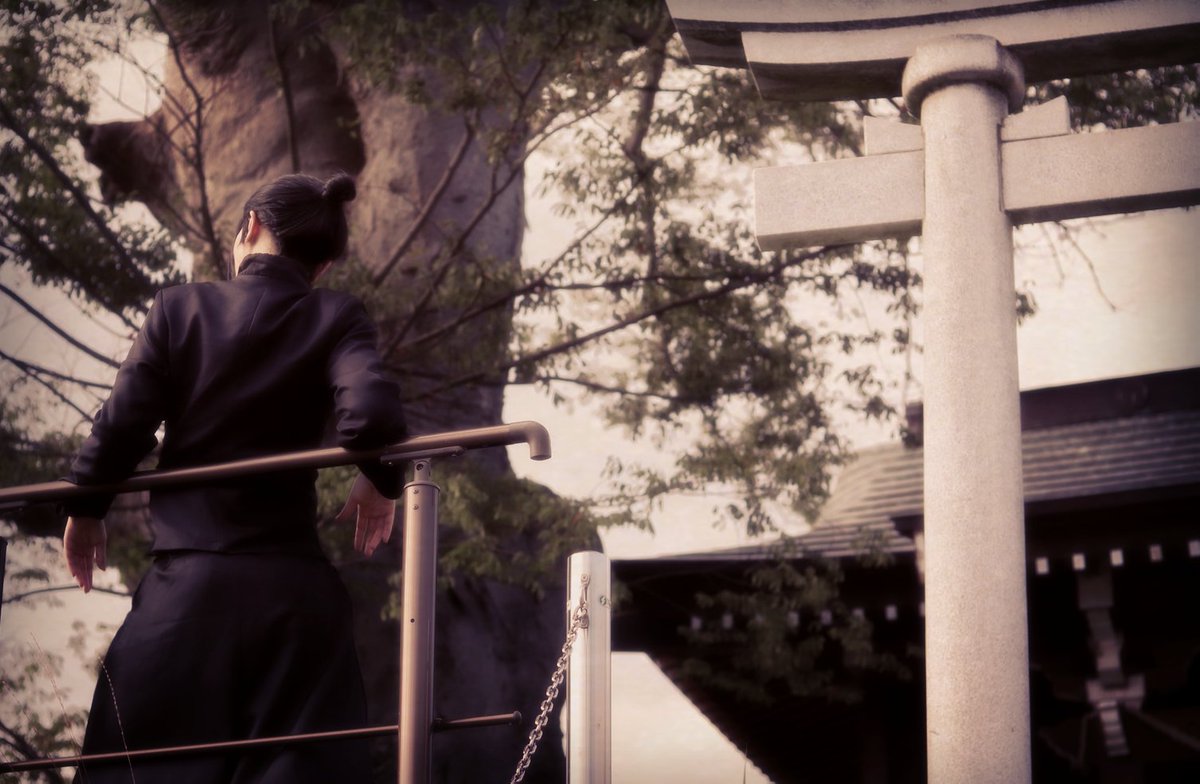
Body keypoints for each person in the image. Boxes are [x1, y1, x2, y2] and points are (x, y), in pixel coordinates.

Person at [61, 172, 407, 783]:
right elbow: (371, 415)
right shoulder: (337, 314)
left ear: (251, 226)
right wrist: (379, 478)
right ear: (323, 265)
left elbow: (124, 423)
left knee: (142, 770)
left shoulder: (178, 308)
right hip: (292, 600)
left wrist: (87, 506)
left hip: (184, 599)